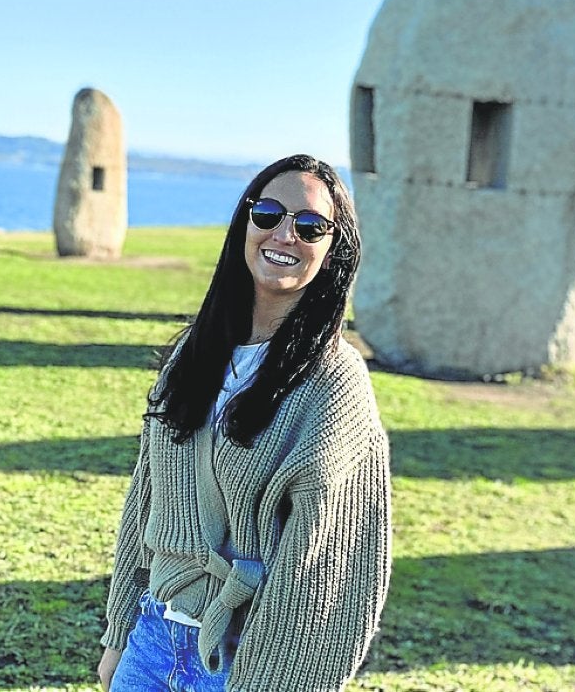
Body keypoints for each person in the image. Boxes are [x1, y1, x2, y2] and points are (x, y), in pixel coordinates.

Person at [98, 154, 392, 692]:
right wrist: (119, 633)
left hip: (240, 661)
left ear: (333, 252)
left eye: (310, 226)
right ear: (246, 222)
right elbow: (147, 498)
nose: (285, 234)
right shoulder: (196, 350)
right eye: (270, 214)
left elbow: (327, 563)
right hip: (151, 639)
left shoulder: (334, 381)